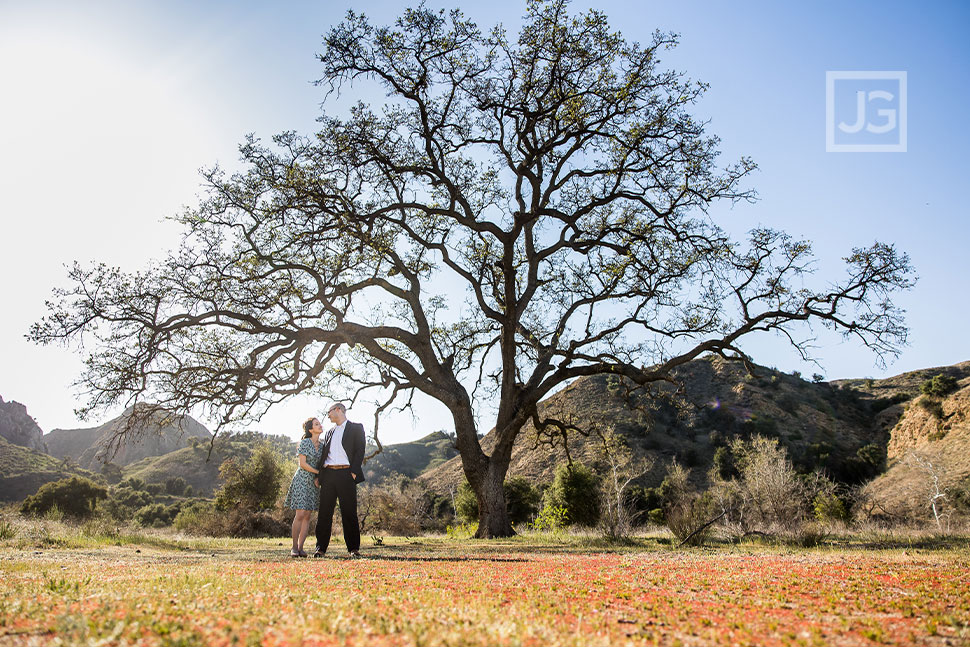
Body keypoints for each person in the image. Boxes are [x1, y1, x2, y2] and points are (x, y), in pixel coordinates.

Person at [313, 402, 366, 558]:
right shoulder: (329, 432)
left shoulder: (356, 428)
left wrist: (354, 472)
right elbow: (324, 455)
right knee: (324, 513)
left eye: (329, 412)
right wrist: (319, 475)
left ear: (338, 410)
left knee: (349, 512)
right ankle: (320, 548)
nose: (328, 415)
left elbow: (360, 450)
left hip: (347, 474)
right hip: (328, 475)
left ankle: (353, 548)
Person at [283, 417, 323, 557]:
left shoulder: (323, 446)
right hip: (301, 480)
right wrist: (319, 473)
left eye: (320, 424)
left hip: (313, 482)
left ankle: (301, 548)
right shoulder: (305, 443)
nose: (320, 425)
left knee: (307, 515)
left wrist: (318, 477)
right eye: (317, 424)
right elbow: (303, 464)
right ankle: (294, 547)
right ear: (311, 429)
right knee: (300, 514)